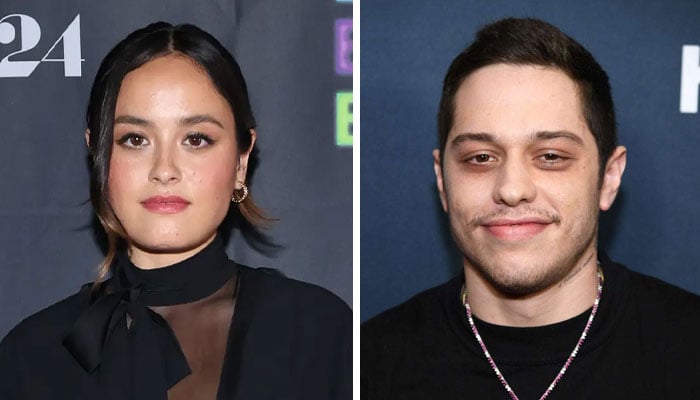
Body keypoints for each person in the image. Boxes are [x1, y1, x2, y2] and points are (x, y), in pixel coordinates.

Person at [0, 22, 351, 400]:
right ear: (98, 152)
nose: (164, 169)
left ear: (241, 159)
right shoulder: (31, 357)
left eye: (196, 139)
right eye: (135, 139)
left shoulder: (321, 333)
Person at [362, 17, 700, 399]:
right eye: (480, 157)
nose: (511, 189)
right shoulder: (367, 366)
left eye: (551, 156)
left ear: (608, 178)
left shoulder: (689, 350)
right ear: (443, 181)